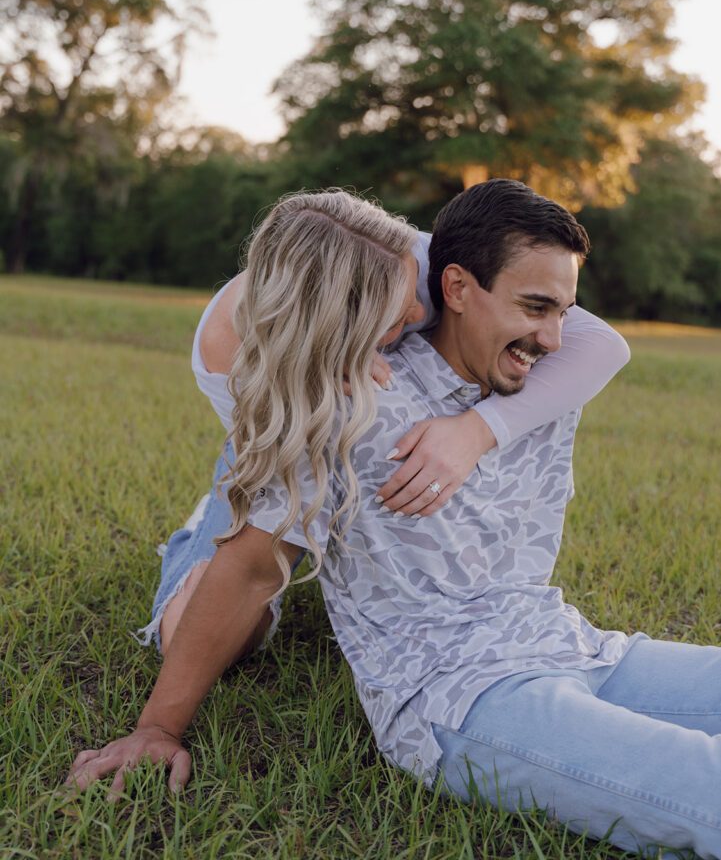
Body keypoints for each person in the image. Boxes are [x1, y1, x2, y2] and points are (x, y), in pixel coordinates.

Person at [66, 183, 719, 857]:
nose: (556, 336)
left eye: (562, 311)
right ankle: (214, 519)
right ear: (459, 289)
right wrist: (156, 729)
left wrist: (476, 428)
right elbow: (249, 568)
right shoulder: (337, 399)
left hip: (566, 642)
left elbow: (601, 344)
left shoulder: (533, 368)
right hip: (462, 695)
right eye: (535, 309)